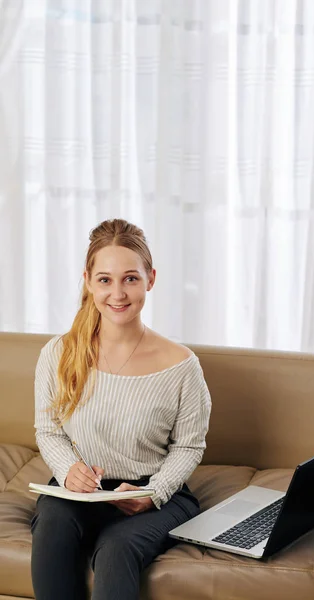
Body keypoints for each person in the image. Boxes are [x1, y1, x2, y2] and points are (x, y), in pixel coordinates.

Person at [30, 218, 212, 600]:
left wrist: (155, 492)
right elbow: (49, 431)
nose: (118, 293)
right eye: (104, 279)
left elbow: (189, 446)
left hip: (157, 492)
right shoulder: (58, 354)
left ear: (151, 278)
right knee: (52, 523)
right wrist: (67, 472)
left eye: (130, 278)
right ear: (87, 280)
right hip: (83, 492)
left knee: (115, 549)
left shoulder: (181, 365)